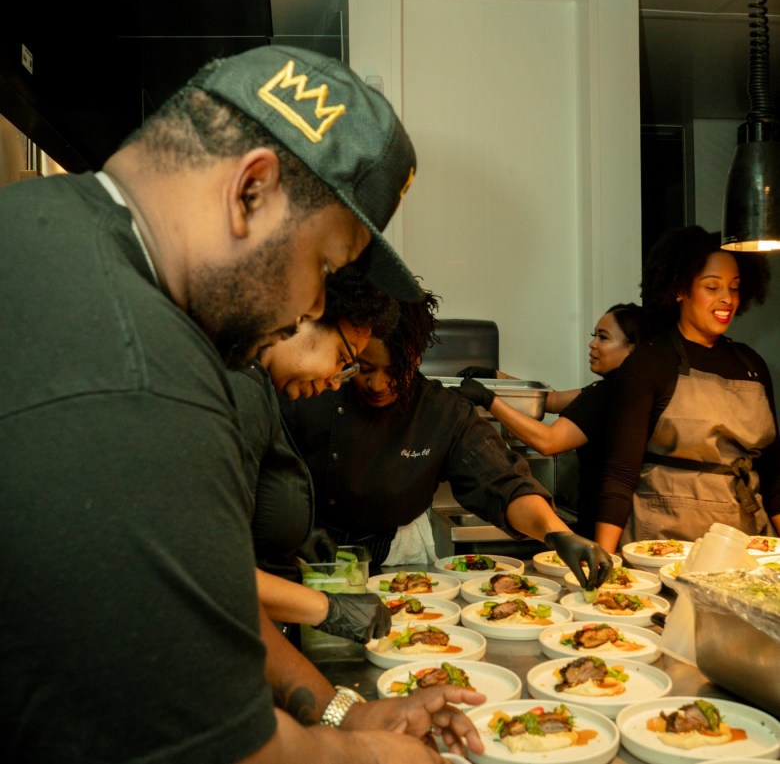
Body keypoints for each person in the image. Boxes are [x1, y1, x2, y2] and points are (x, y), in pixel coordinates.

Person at [1, 44, 490, 764]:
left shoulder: (39, 224)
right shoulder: (147, 372)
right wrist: (381, 757)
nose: (314, 305)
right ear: (251, 190)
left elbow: (194, 604)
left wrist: (343, 714)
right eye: (323, 263)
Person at [281, 284, 614, 589]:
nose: (378, 384)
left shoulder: (442, 412)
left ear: (415, 359)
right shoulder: (313, 388)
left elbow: (503, 482)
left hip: (396, 558)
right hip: (306, 553)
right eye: (364, 368)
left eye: (394, 372)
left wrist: (557, 534)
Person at [231, 265, 400, 645]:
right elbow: (214, 566)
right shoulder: (240, 391)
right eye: (341, 358)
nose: (332, 379)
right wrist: (327, 608)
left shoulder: (261, 387)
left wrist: (298, 538)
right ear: (304, 316)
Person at [595, 225, 780, 553]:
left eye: (734, 288)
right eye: (713, 287)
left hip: (743, 540)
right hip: (663, 538)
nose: (727, 299)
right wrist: (602, 562)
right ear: (680, 289)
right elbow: (620, 475)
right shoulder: (651, 362)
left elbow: (774, 473)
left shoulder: (752, 365)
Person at [456, 303, 658, 538]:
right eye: (594, 336)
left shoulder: (607, 393)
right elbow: (550, 400)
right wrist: (497, 377)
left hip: (604, 523)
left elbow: (549, 441)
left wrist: (488, 399)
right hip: (630, 523)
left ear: (632, 349)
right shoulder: (630, 390)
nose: (592, 344)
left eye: (603, 338)